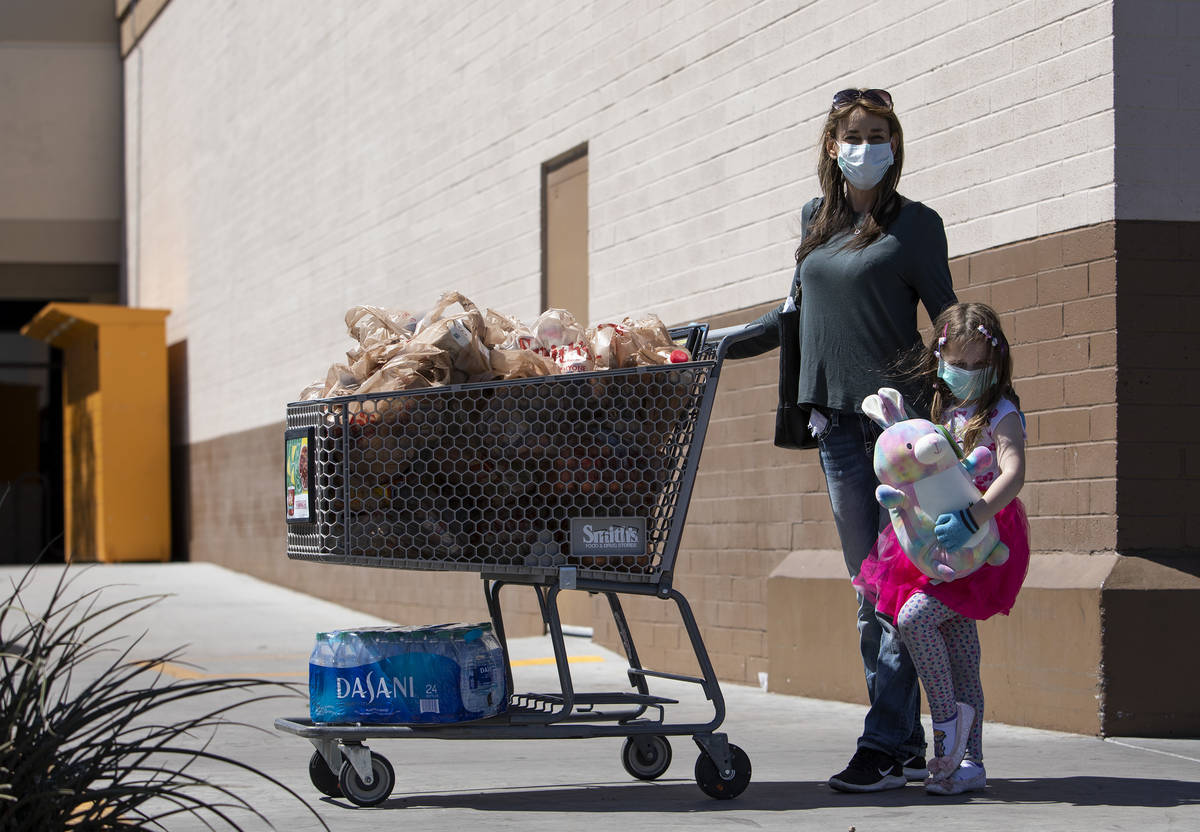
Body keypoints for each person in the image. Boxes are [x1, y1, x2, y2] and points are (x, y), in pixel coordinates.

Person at [727, 87, 957, 791]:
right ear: (832, 144)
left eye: (880, 132)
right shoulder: (815, 221)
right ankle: (907, 743)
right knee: (871, 592)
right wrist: (715, 343)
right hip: (835, 430)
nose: (867, 145)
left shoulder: (916, 226)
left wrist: (975, 403)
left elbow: (946, 317)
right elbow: (795, 313)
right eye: (855, 133)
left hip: (898, 432)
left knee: (894, 589)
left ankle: (882, 744)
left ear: (895, 143)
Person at [854, 302, 1030, 795]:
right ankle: (969, 762)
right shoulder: (945, 411)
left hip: (983, 538)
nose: (969, 374)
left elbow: (1012, 474)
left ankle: (947, 733)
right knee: (961, 651)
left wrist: (977, 514)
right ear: (940, 360)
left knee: (914, 618)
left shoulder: (1002, 413)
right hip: (938, 541)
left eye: (979, 366)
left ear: (997, 364)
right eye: (960, 364)